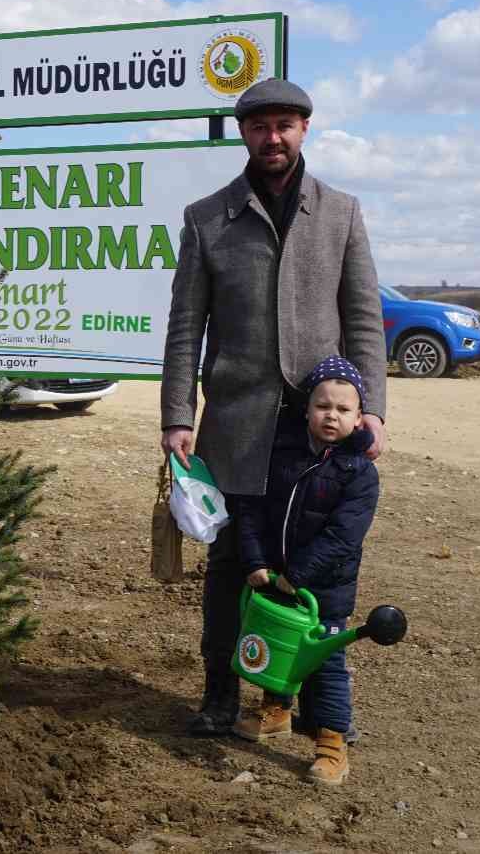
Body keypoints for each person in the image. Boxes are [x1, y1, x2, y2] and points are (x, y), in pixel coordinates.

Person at [160, 77, 388, 740]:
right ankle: (217, 696)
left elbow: (364, 318)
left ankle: (291, 701)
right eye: (260, 127)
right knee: (230, 566)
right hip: (235, 426)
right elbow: (185, 326)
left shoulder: (341, 213)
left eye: (285, 124)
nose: (273, 137)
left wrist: (369, 407)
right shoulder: (207, 219)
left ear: (305, 130)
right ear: (244, 134)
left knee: (311, 568)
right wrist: (179, 414)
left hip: (316, 431)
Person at [228, 356, 379, 786]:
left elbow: (343, 536)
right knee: (278, 643)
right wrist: (256, 561)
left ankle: (332, 744)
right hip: (276, 578)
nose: (331, 415)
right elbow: (252, 509)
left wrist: (300, 572)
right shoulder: (281, 456)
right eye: (322, 406)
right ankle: (277, 711)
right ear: (306, 408)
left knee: (324, 662)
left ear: (358, 417)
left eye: (343, 409)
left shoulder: (359, 474)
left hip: (323, 590)